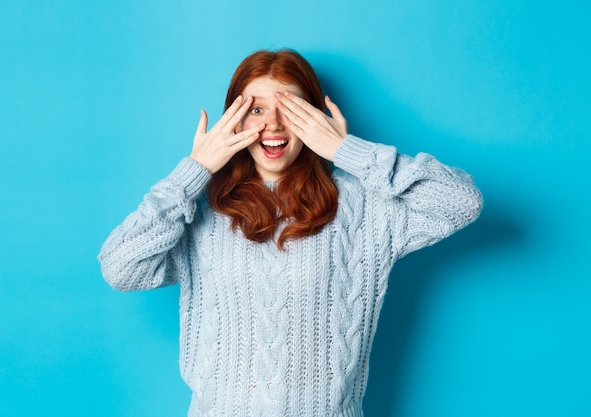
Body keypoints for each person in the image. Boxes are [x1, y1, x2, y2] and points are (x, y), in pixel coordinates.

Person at [98, 49, 483, 417]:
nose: (273, 125)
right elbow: (120, 268)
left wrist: (345, 149)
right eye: (256, 110)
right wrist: (194, 170)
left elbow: (462, 202)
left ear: (314, 117)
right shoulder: (199, 210)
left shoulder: (365, 207)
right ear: (231, 119)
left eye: (290, 108)